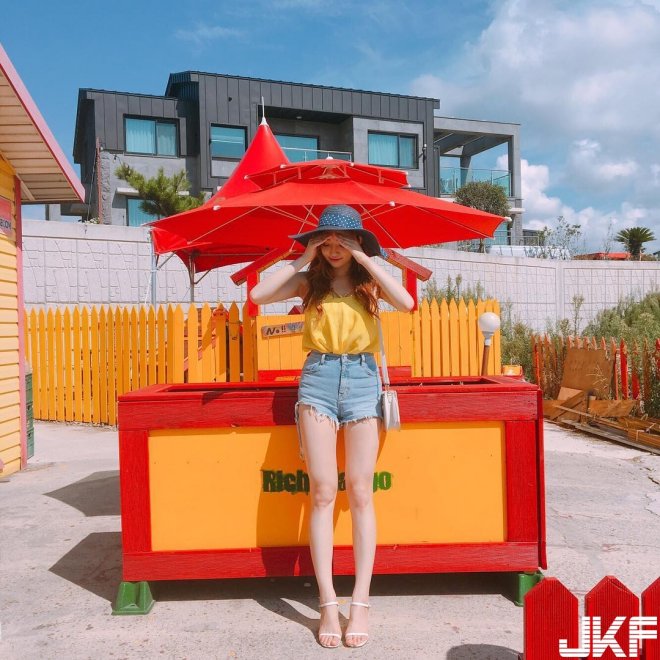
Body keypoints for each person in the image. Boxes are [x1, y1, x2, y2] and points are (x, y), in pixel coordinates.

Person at [250, 205, 414, 648]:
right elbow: (259, 296)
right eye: (328, 241)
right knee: (322, 491)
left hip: (362, 380)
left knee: (360, 491)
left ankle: (360, 601)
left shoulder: (368, 283)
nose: (335, 249)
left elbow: (406, 302)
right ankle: (326, 602)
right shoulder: (310, 281)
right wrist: (304, 256)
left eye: (344, 241)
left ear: (357, 242)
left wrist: (365, 258)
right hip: (318, 380)